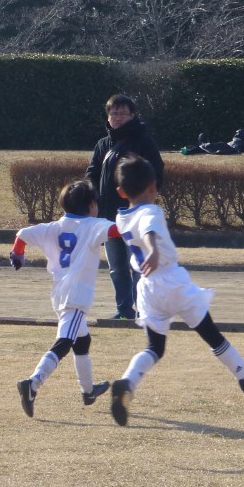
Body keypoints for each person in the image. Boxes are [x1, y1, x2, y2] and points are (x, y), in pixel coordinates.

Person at [107, 154, 244, 426]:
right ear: (153, 187)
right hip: (171, 280)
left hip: (146, 287)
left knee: (154, 347)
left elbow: (141, 230)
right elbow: (149, 231)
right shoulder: (152, 211)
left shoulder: (121, 217)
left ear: (121, 192)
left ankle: (127, 382)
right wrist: (153, 250)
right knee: (211, 334)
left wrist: (150, 252)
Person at [9, 180, 121, 418]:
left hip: (60, 292)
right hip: (76, 295)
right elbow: (116, 231)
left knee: (82, 341)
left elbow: (22, 235)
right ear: (91, 205)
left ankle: (88, 391)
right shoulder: (93, 224)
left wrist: (17, 255)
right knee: (65, 341)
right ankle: (33, 383)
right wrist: (138, 215)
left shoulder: (53, 227)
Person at [86, 94, 164, 320]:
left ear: (133, 115)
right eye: (113, 113)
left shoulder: (143, 141)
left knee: (139, 266)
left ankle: (143, 309)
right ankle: (124, 310)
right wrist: (92, 195)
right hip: (109, 218)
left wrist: (141, 197)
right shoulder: (103, 144)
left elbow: (156, 172)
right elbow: (92, 174)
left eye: (122, 113)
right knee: (117, 267)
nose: (117, 117)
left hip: (135, 216)